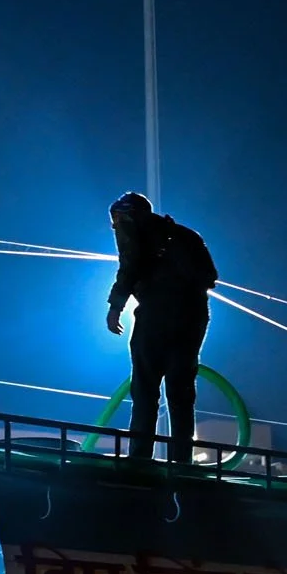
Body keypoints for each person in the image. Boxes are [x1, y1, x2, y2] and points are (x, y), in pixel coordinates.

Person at [105, 192, 218, 463]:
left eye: (118, 219)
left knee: (145, 389)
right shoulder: (188, 236)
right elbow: (210, 277)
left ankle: (140, 460)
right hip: (193, 319)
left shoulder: (135, 233)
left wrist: (115, 307)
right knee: (181, 392)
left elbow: (128, 268)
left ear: (130, 214)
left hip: (156, 318)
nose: (116, 226)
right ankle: (182, 462)